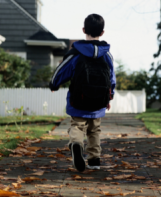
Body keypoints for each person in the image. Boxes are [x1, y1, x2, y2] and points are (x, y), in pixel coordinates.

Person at [49, 14, 116, 172]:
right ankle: (94, 160)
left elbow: (61, 71)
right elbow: (112, 79)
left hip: (78, 100)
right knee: (94, 130)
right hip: (99, 101)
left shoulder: (75, 53)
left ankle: (77, 145)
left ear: (84, 29)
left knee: (77, 126)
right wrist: (109, 96)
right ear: (102, 32)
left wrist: (54, 84)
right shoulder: (107, 55)